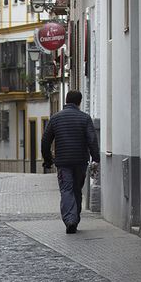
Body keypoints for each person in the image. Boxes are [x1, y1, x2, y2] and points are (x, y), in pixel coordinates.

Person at [41, 90, 100, 234]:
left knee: (66, 190)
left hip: (63, 162)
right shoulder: (85, 118)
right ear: (79, 102)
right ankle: (75, 218)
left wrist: (48, 160)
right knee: (76, 190)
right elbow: (92, 140)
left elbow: (45, 141)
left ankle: (70, 220)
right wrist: (96, 158)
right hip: (80, 161)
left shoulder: (55, 118)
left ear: (66, 100)